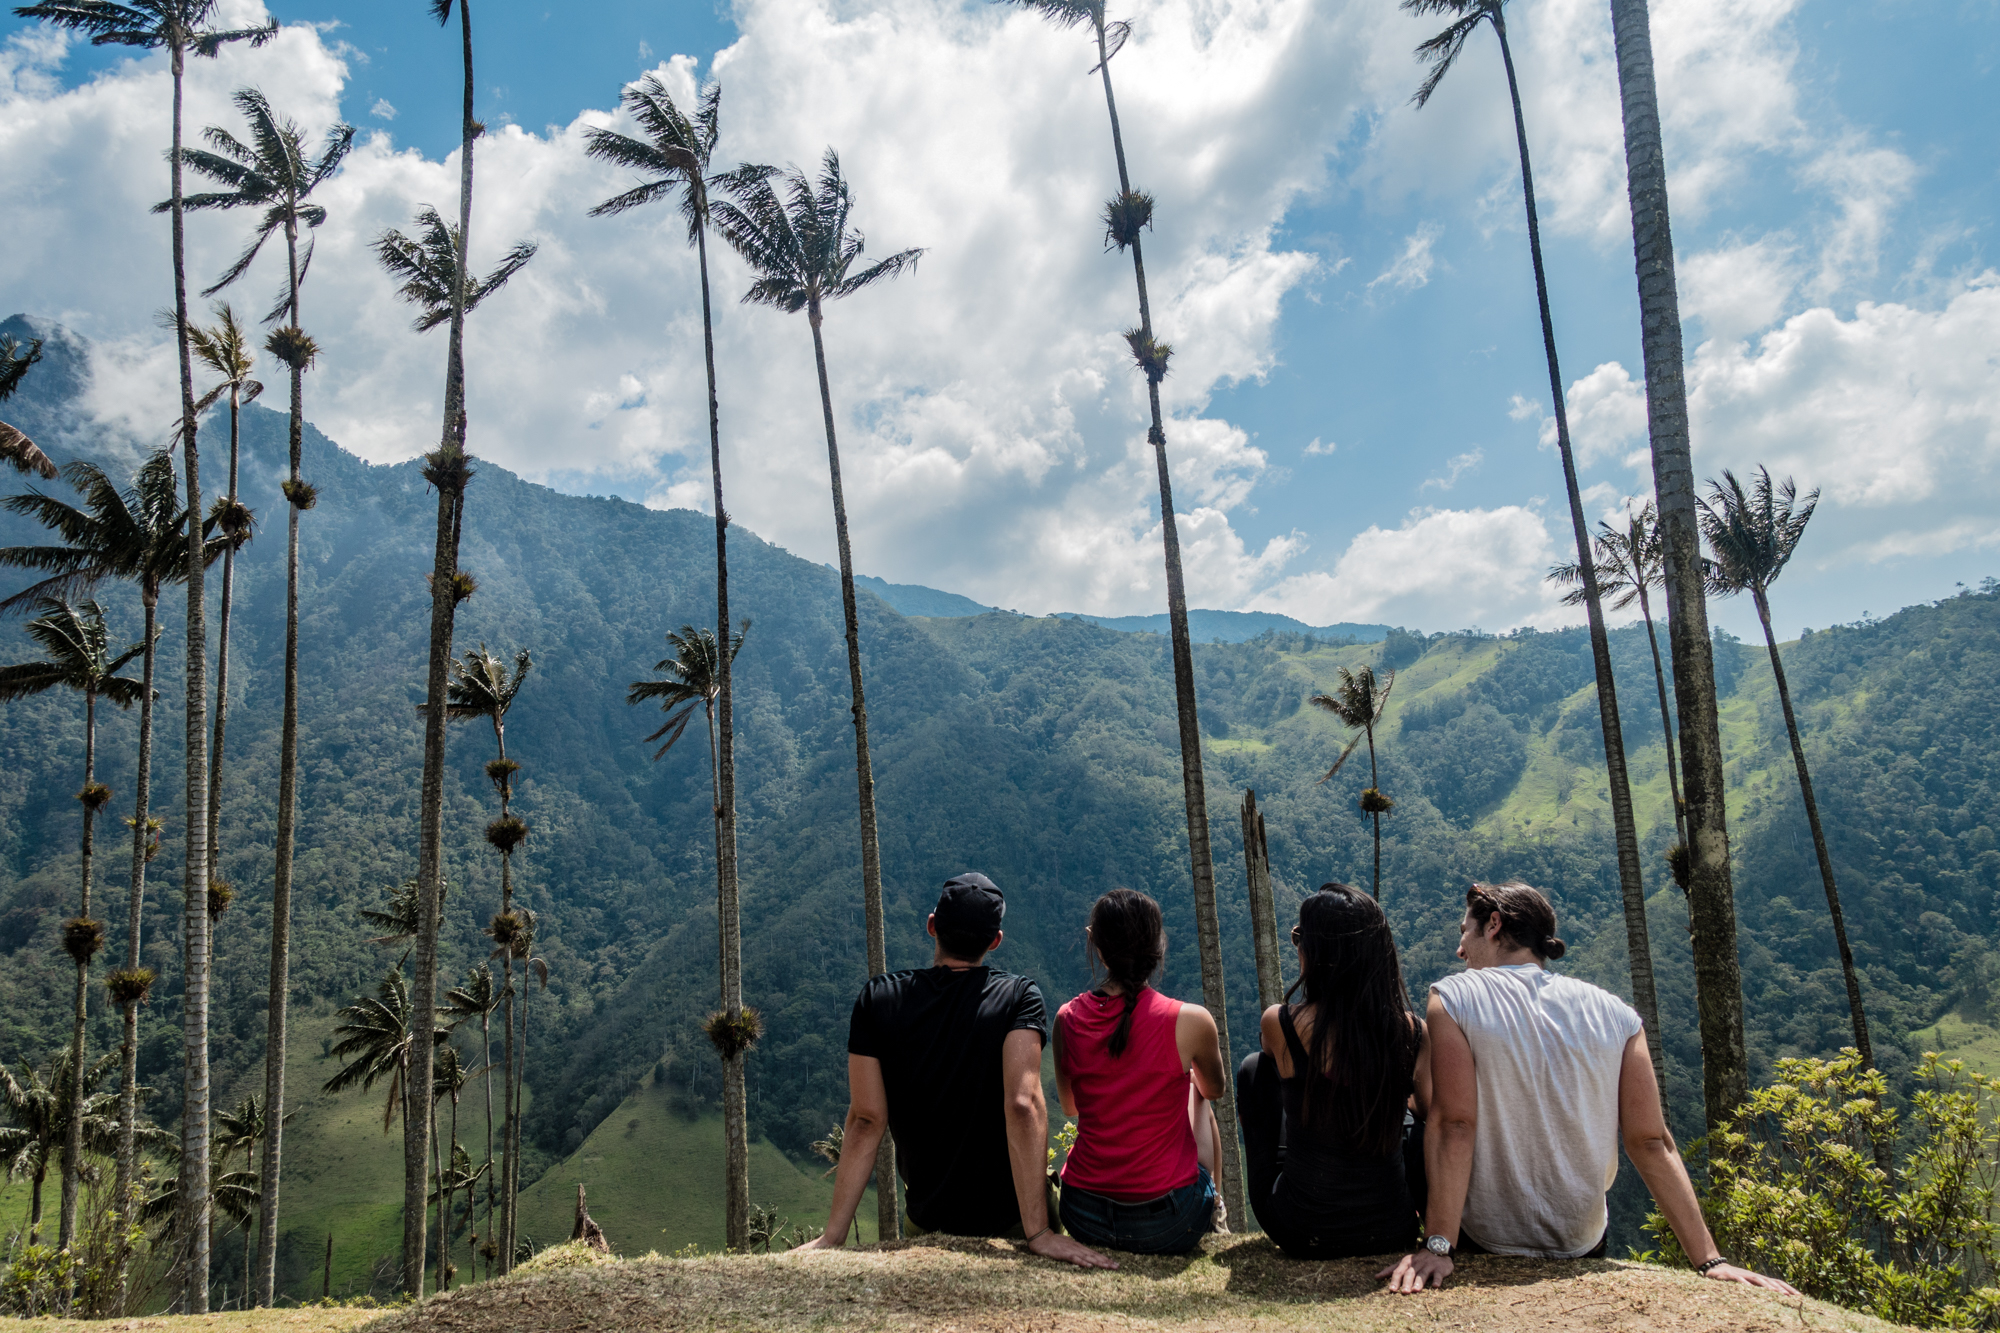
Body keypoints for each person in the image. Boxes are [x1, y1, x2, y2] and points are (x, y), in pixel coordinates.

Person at [1380, 881, 1799, 1295]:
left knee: (1422, 1123)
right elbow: (1651, 1141)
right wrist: (1711, 1261)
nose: (1460, 949)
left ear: (1493, 925)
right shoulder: (1618, 1014)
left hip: (1486, 1234)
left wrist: (1438, 1246)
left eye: (1463, 932)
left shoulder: (1454, 996)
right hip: (1582, 1240)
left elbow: (1455, 1123)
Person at [798, 872, 1116, 1269]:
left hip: (929, 1219)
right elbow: (1022, 1104)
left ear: (932, 926)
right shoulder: (1018, 997)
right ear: (995, 941)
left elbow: (866, 1119)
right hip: (1012, 1219)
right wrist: (1038, 1234)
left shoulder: (877, 1000)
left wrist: (833, 1236)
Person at [1236, 883, 1430, 1258]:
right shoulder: (1412, 1030)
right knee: (1418, 1122)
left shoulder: (1282, 1022)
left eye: (1299, 938)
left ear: (1316, 951)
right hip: (1391, 1228)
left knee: (1253, 1068)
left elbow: (1270, 1059)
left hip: (1300, 1227)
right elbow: (1427, 1113)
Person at [1052, 888, 1227, 1254]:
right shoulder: (1191, 1021)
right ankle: (1217, 1215)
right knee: (1196, 1088)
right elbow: (1215, 1090)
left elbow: (1070, 1106)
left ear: (1095, 944)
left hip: (1083, 1213)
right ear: (1157, 945)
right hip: (1168, 1222)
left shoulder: (1067, 1020)